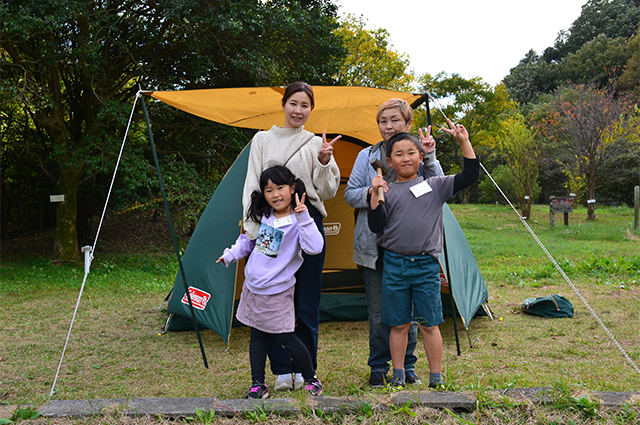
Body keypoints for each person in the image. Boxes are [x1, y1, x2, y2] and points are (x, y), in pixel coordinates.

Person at [242, 82, 341, 391]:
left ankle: (306, 371)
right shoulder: (262, 140)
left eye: (306, 106)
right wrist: (253, 230)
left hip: (305, 221)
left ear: (311, 110)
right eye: (294, 104)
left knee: (306, 301)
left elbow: (327, 191)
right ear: (283, 104)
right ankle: (282, 371)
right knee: (271, 298)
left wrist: (325, 162)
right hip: (269, 225)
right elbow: (252, 188)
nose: (299, 110)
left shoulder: (315, 144)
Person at [368, 122, 479, 389]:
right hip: (394, 264)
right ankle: (398, 375)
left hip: (427, 266)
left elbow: (469, 176)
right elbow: (375, 225)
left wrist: (464, 141)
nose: (405, 158)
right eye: (398, 154)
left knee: (430, 324)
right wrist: (375, 193)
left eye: (411, 152)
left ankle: (436, 379)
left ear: (421, 156)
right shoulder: (387, 190)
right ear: (390, 162)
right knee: (398, 324)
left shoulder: (435, 185)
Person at [344, 98, 444, 387]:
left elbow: (439, 189)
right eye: (382, 121)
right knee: (379, 314)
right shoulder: (367, 155)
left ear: (408, 123)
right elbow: (350, 194)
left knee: (409, 316)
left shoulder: (417, 153)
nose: (388, 126)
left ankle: (407, 367)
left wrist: (431, 157)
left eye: (395, 120)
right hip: (373, 245)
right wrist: (372, 192)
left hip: (412, 249)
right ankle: (379, 366)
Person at [218, 165, 324, 398]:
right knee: (257, 337)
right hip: (254, 288)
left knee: (287, 338)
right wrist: (230, 255)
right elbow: (252, 243)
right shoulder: (266, 217)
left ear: (293, 188)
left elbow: (315, 248)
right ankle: (258, 384)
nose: (275, 194)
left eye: (280, 188)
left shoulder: (298, 221)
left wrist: (304, 216)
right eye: (268, 190)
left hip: (278, 292)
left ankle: (311, 379)